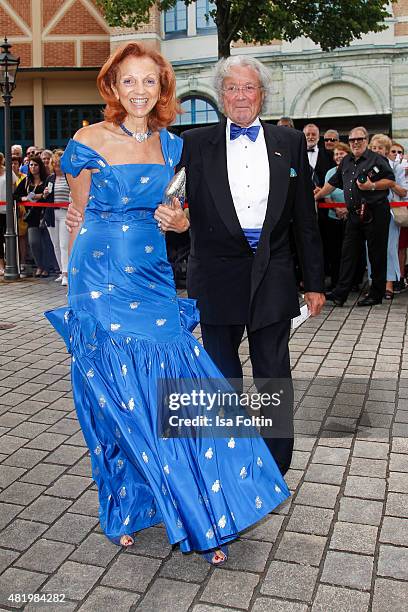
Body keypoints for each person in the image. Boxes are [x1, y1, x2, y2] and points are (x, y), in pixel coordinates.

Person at [48, 42, 290, 564]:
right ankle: (126, 507)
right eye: (128, 81)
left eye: (149, 82)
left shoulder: (173, 148)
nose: (139, 90)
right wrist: (74, 237)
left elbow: (176, 211)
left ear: (162, 90)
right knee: (117, 397)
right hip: (101, 280)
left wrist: (179, 223)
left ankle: (207, 505)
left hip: (154, 277)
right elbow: (78, 212)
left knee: (176, 391)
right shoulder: (87, 140)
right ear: (113, 87)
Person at [154, 55, 326, 475]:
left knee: (272, 371)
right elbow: (171, 202)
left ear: (262, 95)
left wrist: (316, 282)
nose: (240, 96)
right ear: (221, 96)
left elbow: (305, 217)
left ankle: (274, 466)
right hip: (214, 272)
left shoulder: (289, 142)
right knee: (220, 371)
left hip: (274, 270)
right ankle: (229, 462)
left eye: (249, 87)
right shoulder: (194, 144)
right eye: (232, 88)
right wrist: (179, 222)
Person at [315, 126, 395, 307]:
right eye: (352, 140)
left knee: (376, 254)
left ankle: (376, 294)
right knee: (348, 254)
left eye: (359, 139)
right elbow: (332, 183)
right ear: (349, 142)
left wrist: (371, 186)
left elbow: (390, 181)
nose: (356, 143)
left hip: (375, 212)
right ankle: (340, 294)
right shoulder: (347, 161)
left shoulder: (378, 159)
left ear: (366, 140)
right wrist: (316, 196)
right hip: (354, 214)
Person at [13, 156, 52, 277]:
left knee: (46, 243)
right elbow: (15, 195)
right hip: (31, 216)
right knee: (34, 242)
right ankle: (39, 265)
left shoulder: (47, 179)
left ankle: (45, 267)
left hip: (44, 214)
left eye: (35, 165)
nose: (33, 167)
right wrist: (24, 198)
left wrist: (39, 196)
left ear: (40, 166)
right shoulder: (26, 181)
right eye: (30, 165)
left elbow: (50, 194)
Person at [321, 142, 351, 289]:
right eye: (336, 154)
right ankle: (335, 282)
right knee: (334, 252)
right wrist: (337, 209)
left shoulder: (354, 170)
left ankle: (352, 283)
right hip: (333, 217)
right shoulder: (330, 172)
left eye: (342, 153)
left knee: (350, 252)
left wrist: (347, 209)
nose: (339, 156)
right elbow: (326, 193)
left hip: (352, 217)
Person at [46, 150, 70, 286]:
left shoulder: (69, 177)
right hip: (51, 214)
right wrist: (44, 194)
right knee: (56, 245)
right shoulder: (50, 179)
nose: (57, 167)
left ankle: (66, 273)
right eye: (54, 164)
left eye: (59, 164)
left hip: (65, 213)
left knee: (64, 244)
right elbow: (45, 197)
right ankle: (62, 271)